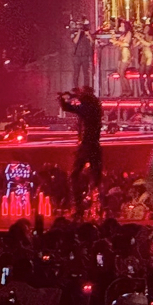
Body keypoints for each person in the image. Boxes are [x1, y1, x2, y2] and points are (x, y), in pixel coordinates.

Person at [59, 86, 103, 218]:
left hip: (86, 145)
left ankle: (78, 207)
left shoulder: (87, 108)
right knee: (96, 176)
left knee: (74, 176)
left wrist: (64, 99)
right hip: (94, 145)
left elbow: (68, 107)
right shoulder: (95, 106)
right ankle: (98, 204)